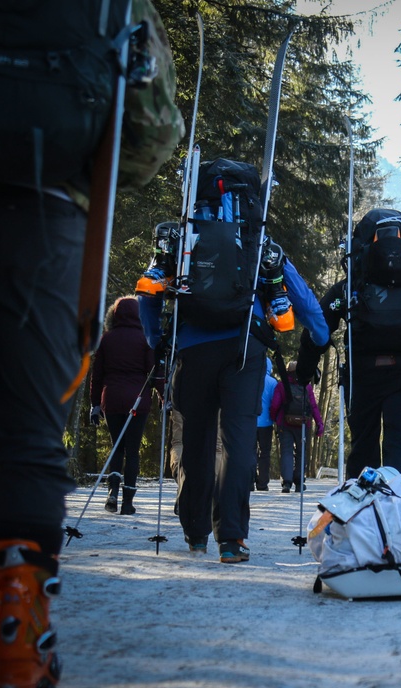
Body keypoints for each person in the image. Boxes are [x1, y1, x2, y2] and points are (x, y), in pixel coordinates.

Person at [0, 0, 183, 688]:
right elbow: (154, 128)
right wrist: (89, 173)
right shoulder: (109, 7)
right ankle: (18, 637)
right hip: (47, 216)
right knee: (33, 438)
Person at [140, 205, 329, 563]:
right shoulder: (257, 242)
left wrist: (155, 339)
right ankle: (232, 539)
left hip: (194, 348)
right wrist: (318, 337)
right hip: (245, 348)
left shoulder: (183, 239)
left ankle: (196, 534)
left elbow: (149, 292)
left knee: (196, 439)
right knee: (238, 441)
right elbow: (303, 299)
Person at [296, 209, 401, 479]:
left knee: (363, 446)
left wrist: (304, 372)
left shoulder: (347, 290)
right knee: (399, 445)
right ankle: (400, 507)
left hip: (362, 377)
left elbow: (318, 329)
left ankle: (362, 511)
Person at [89, 296, 155, 515]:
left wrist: (95, 404)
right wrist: (165, 397)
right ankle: (128, 501)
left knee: (116, 446)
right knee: (132, 450)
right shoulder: (145, 338)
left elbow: (96, 376)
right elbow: (153, 372)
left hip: (113, 398)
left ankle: (112, 493)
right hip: (138, 399)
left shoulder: (106, 339)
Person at [269, 360, 324, 493]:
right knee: (301, 452)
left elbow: (275, 405)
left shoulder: (282, 385)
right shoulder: (307, 386)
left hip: (285, 423)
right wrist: (319, 423)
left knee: (287, 451)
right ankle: (299, 482)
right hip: (304, 424)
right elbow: (313, 406)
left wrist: (274, 418)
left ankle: (287, 483)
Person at [254, 357, 277, 491]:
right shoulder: (273, 382)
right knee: (265, 453)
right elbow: (275, 402)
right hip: (266, 423)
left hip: (251, 421)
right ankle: (262, 483)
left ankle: (250, 481)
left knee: (251, 451)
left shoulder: (252, 379)